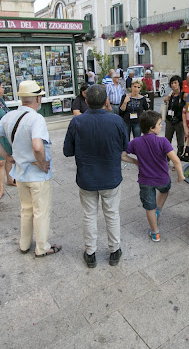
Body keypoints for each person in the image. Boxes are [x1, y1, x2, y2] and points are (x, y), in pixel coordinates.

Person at [0, 80, 61, 258]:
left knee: (26, 210)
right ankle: (42, 247)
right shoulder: (36, 119)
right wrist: (43, 164)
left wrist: (7, 157)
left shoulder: (9, 116)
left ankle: (24, 244)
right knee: (41, 212)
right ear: (37, 98)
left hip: (20, 174)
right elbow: (37, 146)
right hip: (37, 175)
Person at [63, 84, 127, 268]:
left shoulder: (77, 122)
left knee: (89, 215)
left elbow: (67, 151)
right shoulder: (116, 121)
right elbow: (125, 147)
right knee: (112, 214)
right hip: (111, 177)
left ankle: (90, 252)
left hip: (87, 178)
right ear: (106, 101)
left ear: (86, 101)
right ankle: (114, 250)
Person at [122, 110, 185, 242]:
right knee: (164, 190)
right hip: (162, 179)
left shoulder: (136, 142)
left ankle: (155, 232)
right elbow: (176, 161)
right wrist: (180, 176)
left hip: (145, 181)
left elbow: (122, 155)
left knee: (149, 207)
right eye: (159, 124)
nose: (161, 126)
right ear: (152, 128)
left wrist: (135, 162)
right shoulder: (163, 142)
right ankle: (159, 210)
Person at [162, 75, 185, 157]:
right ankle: (166, 159)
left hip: (179, 121)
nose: (173, 85)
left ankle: (178, 158)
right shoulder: (170, 95)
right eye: (172, 83)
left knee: (180, 141)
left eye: (175, 83)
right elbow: (165, 103)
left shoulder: (183, 95)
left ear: (179, 84)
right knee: (167, 140)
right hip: (169, 120)